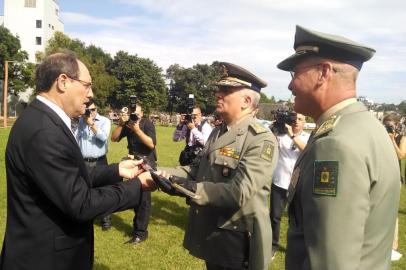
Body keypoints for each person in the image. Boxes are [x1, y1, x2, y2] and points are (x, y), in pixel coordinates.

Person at [0, 52, 155, 270]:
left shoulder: (44, 119)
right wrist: (137, 187)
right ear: (63, 82)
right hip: (45, 259)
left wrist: (117, 171)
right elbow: (81, 204)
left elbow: (68, 176)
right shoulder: (44, 130)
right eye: (87, 85)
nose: (91, 94)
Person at [277, 25, 401, 269]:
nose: (290, 86)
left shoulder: (335, 144)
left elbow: (330, 262)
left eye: (295, 73)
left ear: (323, 73)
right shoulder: (365, 126)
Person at [159, 62, 278, 270]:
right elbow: (196, 171)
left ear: (247, 101)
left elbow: (239, 192)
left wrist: (189, 188)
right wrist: (159, 172)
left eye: (226, 91)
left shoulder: (260, 139)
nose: (218, 95)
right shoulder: (218, 131)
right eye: (219, 89)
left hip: (237, 237)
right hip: (213, 230)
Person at [111, 103, 156, 244]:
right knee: (135, 195)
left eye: (136, 113)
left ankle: (140, 233)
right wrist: (120, 124)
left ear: (142, 113)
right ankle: (138, 228)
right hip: (132, 163)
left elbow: (151, 144)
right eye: (132, 113)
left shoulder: (147, 124)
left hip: (146, 162)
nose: (134, 115)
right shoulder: (129, 124)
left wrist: (137, 130)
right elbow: (114, 138)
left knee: (143, 199)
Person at [269, 113, 309, 259]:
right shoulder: (281, 136)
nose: (296, 122)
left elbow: (307, 150)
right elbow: (269, 145)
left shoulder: (307, 137)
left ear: (305, 122)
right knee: (275, 217)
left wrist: (292, 136)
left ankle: (295, 248)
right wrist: (273, 129)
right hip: (279, 181)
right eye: (294, 119)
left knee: (297, 219)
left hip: (297, 184)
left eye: (300, 119)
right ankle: (273, 245)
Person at [76, 99, 113, 231]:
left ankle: (106, 220)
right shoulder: (81, 121)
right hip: (84, 161)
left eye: (93, 109)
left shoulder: (105, 121)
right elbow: (76, 138)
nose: (90, 112)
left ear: (96, 109)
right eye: (88, 110)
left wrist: (91, 124)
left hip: (100, 161)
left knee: (103, 190)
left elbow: (103, 138)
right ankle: (87, 216)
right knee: (85, 190)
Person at [383, 113, 406, 261]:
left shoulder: (401, 138)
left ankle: (393, 245)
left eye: (390, 125)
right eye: (386, 125)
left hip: (394, 177)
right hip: (381, 175)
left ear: (397, 125)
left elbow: (401, 156)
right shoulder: (380, 136)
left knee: (392, 211)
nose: (388, 128)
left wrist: (392, 140)